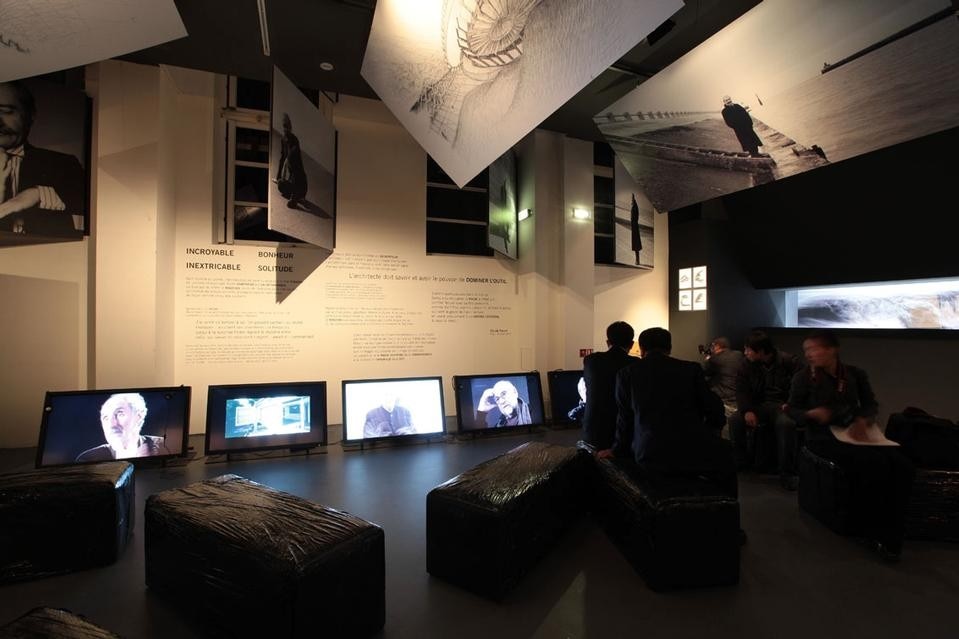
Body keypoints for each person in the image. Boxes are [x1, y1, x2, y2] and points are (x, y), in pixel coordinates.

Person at [785, 329, 914, 560]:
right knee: (873, 465)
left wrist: (863, 420)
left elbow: (870, 404)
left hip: (855, 432)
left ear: (832, 350)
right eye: (807, 350)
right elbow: (793, 409)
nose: (809, 354)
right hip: (823, 437)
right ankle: (876, 530)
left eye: (814, 349)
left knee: (902, 465)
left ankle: (895, 525)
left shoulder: (854, 374)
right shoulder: (803, 378)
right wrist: (811, 414)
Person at [599, 327, 736, 498]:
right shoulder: (691, 369)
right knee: (726, 454)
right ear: (669, 348)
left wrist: (617, 450)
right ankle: (724, 508)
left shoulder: (626, 374)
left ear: (641, 349)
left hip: (648, 453)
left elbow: (625, 419)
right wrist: (710, 431)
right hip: (690, 449)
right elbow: (714, 408)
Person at [0, 80, 85, 236]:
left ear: (30, 115)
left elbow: (90, 203)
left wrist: (39, 194)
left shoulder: (63, 164)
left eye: (6, 111)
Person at [730, 330, 801, 486]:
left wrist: (791, 403)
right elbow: (741, 390)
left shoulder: (788, 361)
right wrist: (747, 410)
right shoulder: (746, 364)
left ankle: (787, 473)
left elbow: (800, 386)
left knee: (786, 424)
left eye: (748, 349)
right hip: (757, 405)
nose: (745, 352)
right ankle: (741, 465)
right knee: (735, 420)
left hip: (781, 405)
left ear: (761, 351)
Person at [580, 321, 636, 451]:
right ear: (631, 344)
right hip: (621, 435)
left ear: (607, 342)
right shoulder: (635, 365)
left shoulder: (590, 360)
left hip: (592, 433)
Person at [76, 393, 168, 462]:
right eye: (106, 418)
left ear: (138, 417)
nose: (112, 425)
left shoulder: (165, 447)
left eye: (120, 414)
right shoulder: (89, 458)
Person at [702, 337, 745, 420]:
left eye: (712, 346)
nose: (711, 349)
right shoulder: (738, 354)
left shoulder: (714, 359)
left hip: (723, 400)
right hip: (738, 399)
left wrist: (707, 359)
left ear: (717, 346)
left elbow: (706, 372)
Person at [274, 112, 307, 209]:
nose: (286, 129)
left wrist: (293, 199)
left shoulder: (295, 141)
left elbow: (296, 171)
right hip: (291, 180)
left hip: (300, 181)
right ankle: (298, 197)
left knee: (296, 178)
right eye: (284, 127)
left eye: (288, 127)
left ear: (290, 128)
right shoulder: (283, 139)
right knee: (280, 184)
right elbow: (282, 157)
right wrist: (278, 177)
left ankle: (297, 197)